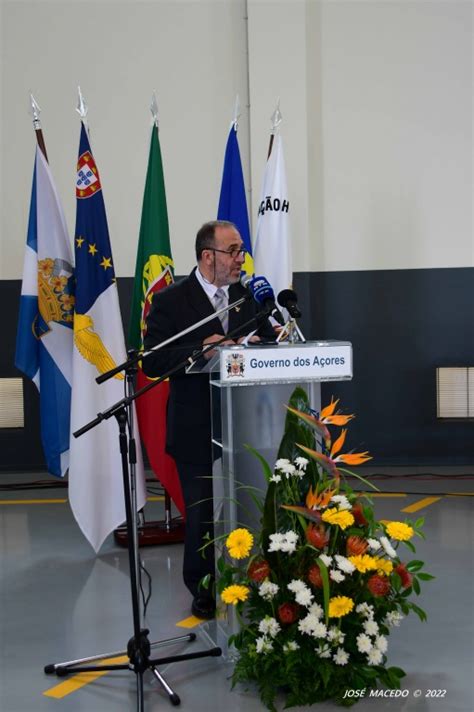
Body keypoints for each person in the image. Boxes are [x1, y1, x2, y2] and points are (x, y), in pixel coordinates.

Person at [143, 220, 274, 619]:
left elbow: (269, 340)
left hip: (246, 421)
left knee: (252, 502)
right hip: (195, 421)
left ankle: (255, 577)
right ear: (207, 256)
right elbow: (153, 360)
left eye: (241, 251)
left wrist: (261, 341)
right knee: (200, 511)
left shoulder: (248, 296)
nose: (241, 259)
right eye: (233, 251)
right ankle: (201, 586)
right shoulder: (171, 300)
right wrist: (199, 347)